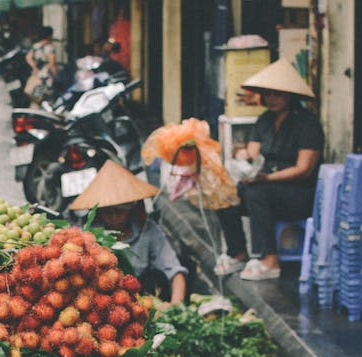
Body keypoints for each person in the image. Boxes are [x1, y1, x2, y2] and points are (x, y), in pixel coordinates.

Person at [214, 58, 323, 281]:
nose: (272, 99)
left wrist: (268, 178)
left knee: (257, 192)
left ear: (290, 96)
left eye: (278, 94)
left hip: (300, 193)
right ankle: (237, 252)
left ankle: (270, 260)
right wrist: (242, 158)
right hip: (266, 188)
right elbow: (253, 155)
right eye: (268, 94)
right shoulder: (264, 121)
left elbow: (304, 169)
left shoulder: (307, 123)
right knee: (224, 194)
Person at [73, 161, 188, 305]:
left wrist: (176, 306)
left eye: (120, 211)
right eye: (108, 212)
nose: (114, 217)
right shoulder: (88, 233)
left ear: (131, 209)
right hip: (98, 300)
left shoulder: (148, 230)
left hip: (138, 297)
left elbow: (175, 270)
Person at [25, 27, 57, 105]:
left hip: (36, 74)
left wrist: (34, 67)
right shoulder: (50, 48)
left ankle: (34, 109)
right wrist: (56, 76)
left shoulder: (36, 46)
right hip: (46, 76)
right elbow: (52, 64)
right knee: (45, 96)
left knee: (35, 95)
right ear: (49, 36)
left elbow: (28, 57)